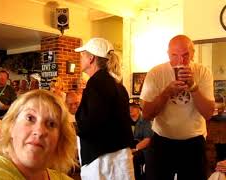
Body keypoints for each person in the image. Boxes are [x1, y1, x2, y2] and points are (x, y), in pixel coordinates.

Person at [140, 35, 215, 180]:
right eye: (175, 55)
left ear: (193, 54)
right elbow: (147, 114)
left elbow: (208, 113)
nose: (181, 61)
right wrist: (166, 93)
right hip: (162, 140)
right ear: (168, 54)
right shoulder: (156, 73)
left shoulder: (203, 72)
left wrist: (193, 87)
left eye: (186, 55)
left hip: (194, 141)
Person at [0, 90, 77, 180]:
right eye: (30, 118)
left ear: (60, 138)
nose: (40, 131)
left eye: (51, 124)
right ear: (11, 126)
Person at [75, 37, 134, 179]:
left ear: (91, 59)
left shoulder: (96, 83)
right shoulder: (118, 85)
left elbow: (89, 124)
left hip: (101, 160)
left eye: (82, 55)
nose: (80, 59)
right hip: (120, 155)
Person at [129, 102, 153, 180]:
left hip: (142, 148)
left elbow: (147, 139)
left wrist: (135, 149)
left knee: (135, 158)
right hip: (129, 147)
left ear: (139, 109)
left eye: (133, 107)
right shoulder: (125, 121)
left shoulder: (145, 121)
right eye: (129, 107)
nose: (130, 109)